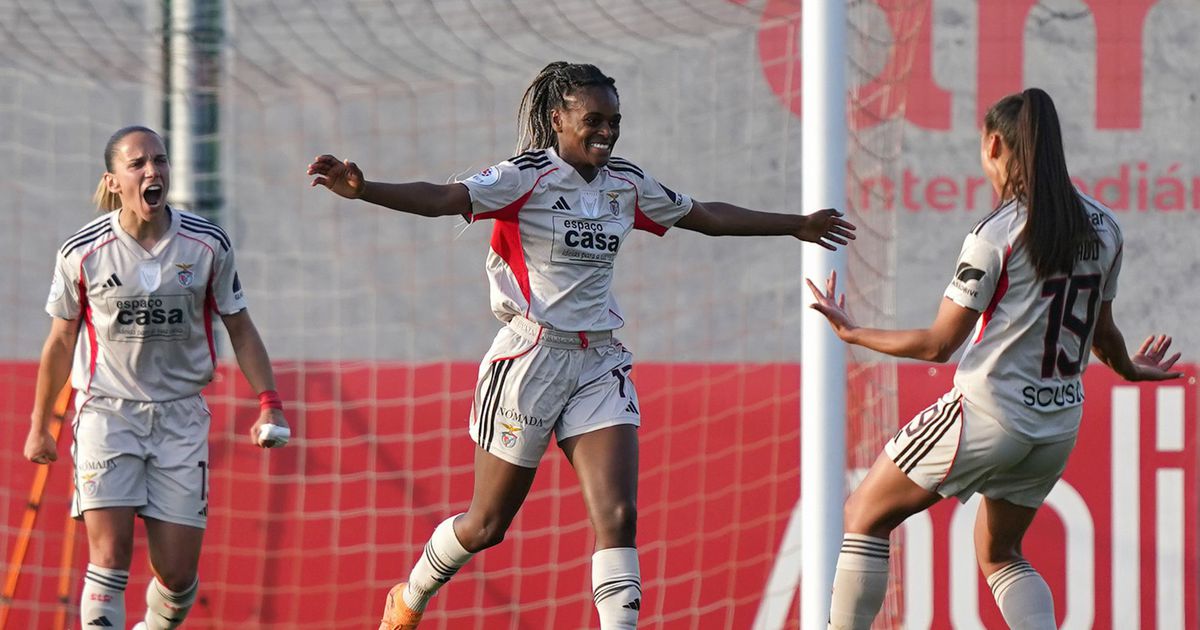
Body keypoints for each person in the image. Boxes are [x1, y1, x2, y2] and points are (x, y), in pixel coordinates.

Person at [307, 61, 856, 630]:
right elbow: (445, 198)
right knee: (487, 525)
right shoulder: (524, 177)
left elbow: (706, 215)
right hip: (529, 359)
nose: (607, 132)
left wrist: (795, 224)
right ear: (558, 120)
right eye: (593, 119)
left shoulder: (628, 184)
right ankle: (411, 596)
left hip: (599, 361)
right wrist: (364, 189)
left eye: (614, 121)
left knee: (618, 515)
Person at [807, 88, 1183, 630]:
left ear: (995, 145)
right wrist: (1129, 369)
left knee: (863, 516)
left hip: (987, 412)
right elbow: (1102, 333)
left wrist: (855, 333)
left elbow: (939, 345)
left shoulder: (997, 233)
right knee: (1001, 554)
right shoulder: (1105, 228)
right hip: (1054, 429)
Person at [23, 125, 291, 630]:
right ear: (114, 181)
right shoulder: (82, 251)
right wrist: (41, 425)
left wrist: (269, 401)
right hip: (106, 411)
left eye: (160, 161)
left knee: (177, 576)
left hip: (181, 418)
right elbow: (60, 342)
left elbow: (240, 325)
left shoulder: (206, 244)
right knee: (110, 552)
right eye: (138, 163)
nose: (153, 170)